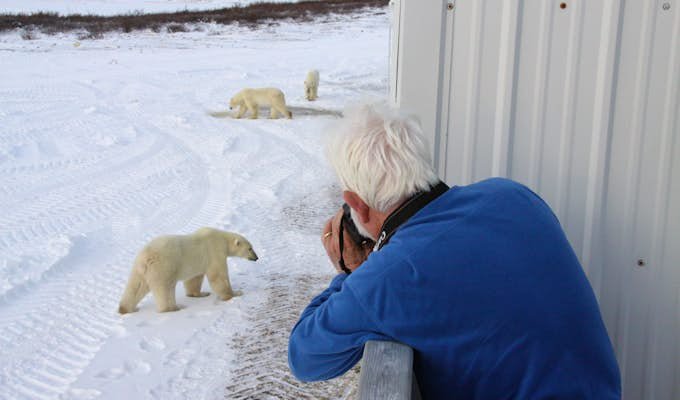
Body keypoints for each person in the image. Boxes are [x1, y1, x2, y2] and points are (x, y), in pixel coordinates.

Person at [287, 102, 621, 399]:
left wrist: (350, 271)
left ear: (356, 205)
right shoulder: (513, 196)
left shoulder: (389, 276)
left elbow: (305, 358)